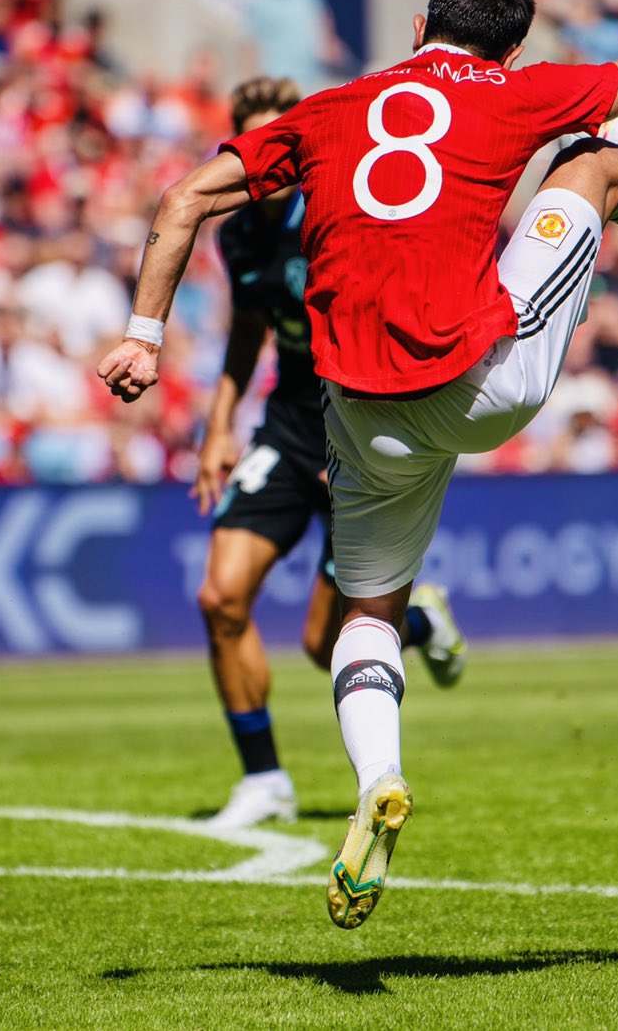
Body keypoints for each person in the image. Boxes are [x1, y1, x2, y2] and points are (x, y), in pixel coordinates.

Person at [99, 0, 618, 928]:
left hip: (361, 410)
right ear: (507, 52)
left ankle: (377, 781)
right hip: (485, 374)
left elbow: (184, 196)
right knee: (592, 167)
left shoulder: (327, 109)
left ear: (415, 28)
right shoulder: (515, 93)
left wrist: (144, 335)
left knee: (365, 614)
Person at [194, 77, 467, 829]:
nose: (266, 156)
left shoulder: (341, 208)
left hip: (356, 420)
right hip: (286, 427)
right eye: (253, 139)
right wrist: (219, 427)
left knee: (325, 646)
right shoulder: (239, 230)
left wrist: (358, 432)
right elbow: (247, 332)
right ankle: (264, 781)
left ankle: (419, 623)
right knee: (219, 597)